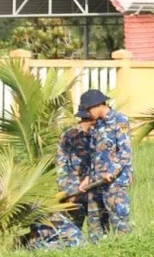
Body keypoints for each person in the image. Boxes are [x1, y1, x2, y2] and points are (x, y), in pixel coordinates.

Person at [76, 89, 132, 239]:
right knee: (95, 227)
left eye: (88, 109)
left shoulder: (120, 121)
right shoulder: (97, 125)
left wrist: (113, 172)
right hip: (95, 184)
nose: (87, 113)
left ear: (98, 105)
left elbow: (125, 152)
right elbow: (94, 155)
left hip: (114, 183)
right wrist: (88, 177)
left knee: (120, 224)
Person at [55, 110, 97, 231]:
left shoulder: (100, 134)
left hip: (95, 189)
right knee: (72, 229)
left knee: (98, 231)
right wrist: (66, 191)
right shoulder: (69, 136)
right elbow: (61, 165)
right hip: (74, 191)